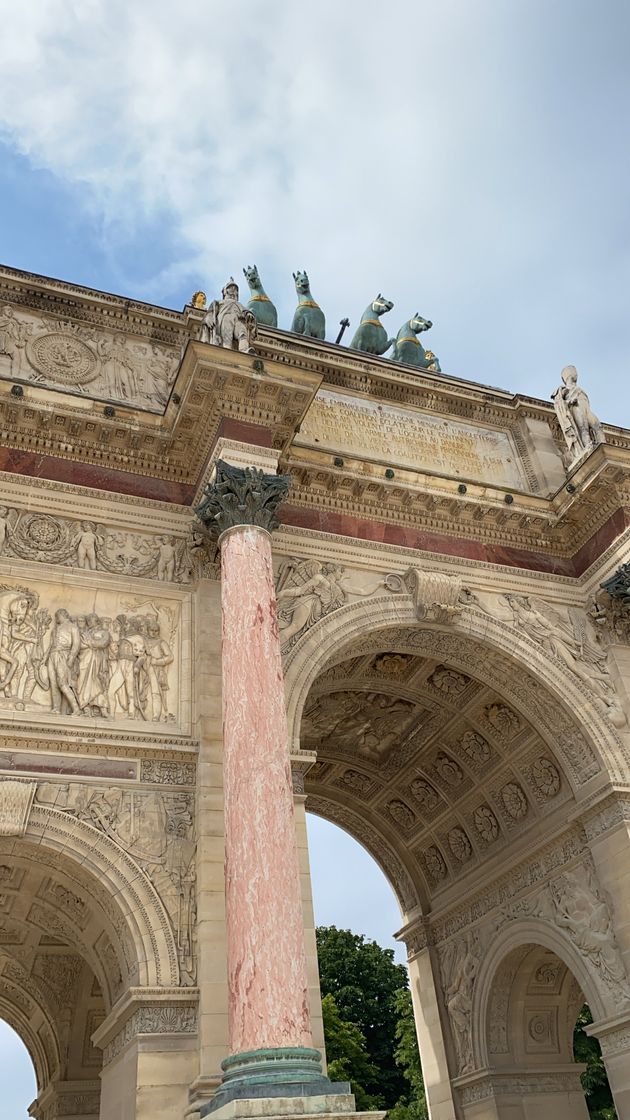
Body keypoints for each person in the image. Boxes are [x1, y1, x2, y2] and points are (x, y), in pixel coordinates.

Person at [199, 280, 257, 353]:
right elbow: (210, 313)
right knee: (227, 338)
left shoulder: (239, 304)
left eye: (235, 289)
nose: (233, 290)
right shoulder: (218, 302)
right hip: (225, 318)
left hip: (239, 320)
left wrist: (249, 315)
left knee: (242, 334)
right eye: (231, 288)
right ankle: (226, 351)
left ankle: (244, 350)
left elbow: (246, 312)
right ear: (225, 291)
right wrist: (208, 318)